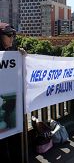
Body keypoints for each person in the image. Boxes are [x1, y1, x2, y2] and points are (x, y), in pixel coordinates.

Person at [0, 23, 23, 162]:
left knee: (14, 142)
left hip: (11, 106)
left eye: (13, 35)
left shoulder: (13, 54)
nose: (12, 39)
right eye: (9, 35)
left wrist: (23, 59)